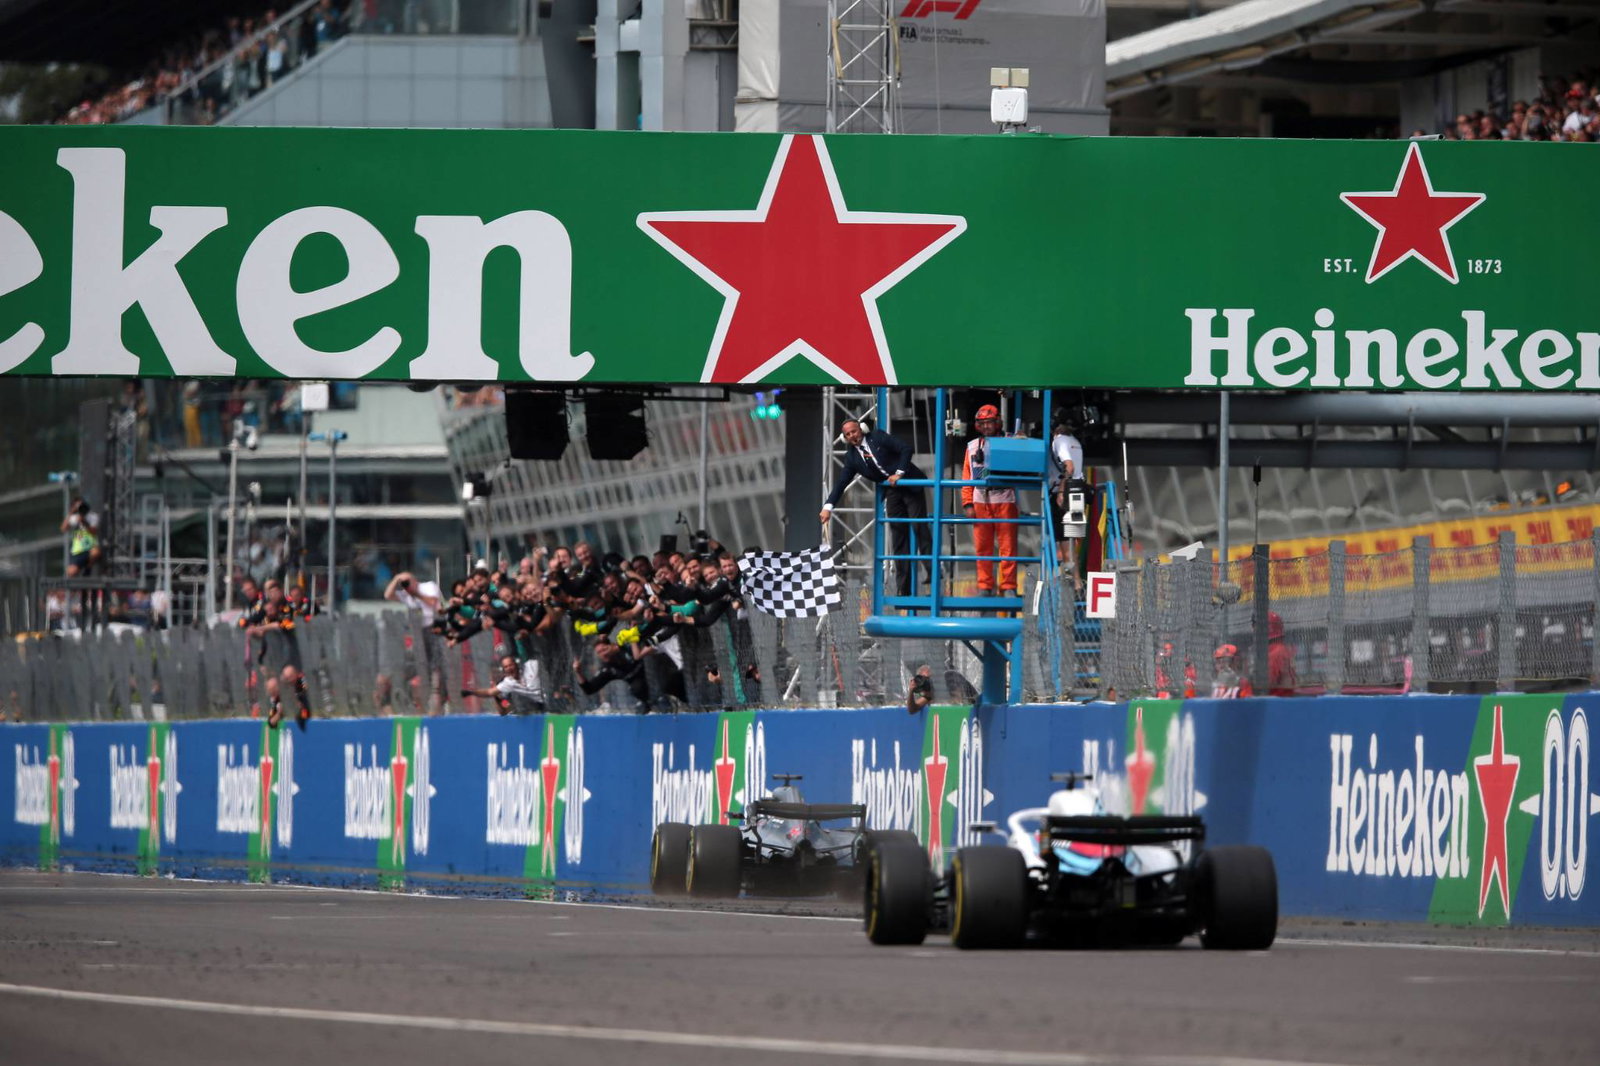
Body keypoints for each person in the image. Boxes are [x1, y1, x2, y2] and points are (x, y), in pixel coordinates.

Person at [819, 419, 931, 597]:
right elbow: (841, 483)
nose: (852, 436)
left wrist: (899, 473)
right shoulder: (851, 458)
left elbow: (906, 449)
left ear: (861, 429)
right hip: (892, 490)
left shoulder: (878, 437)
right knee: (898, 536)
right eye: (848, 435)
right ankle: (904, 588)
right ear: (845, 438)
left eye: (854, 432)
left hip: (910, 483)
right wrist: (828, 507)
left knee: (919, 526)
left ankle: (932, 571)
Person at [961, 404, 1018, 597]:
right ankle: (985, 586)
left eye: (990, 423)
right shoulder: (972, 447)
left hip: (1005, 499)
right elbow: (966, 478)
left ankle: (1008, 586)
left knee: (1008, 546)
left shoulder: (1011, 440)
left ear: (998, 423)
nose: (986, 427)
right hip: (980, 501)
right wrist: (967, 503)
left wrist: (1022, 440)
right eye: (982, 423)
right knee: (982, 547)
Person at [1047, 417, 1085, 593]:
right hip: (1079, 492)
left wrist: (1061, 491)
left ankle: (1072, 584)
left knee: (1064, 541)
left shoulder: (1059, 441)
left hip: (1067, 493)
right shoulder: (1075, 441)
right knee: (1073, 539)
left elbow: (1068, 466)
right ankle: (1077, 582)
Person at [462, 654, 547, 716]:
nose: (509, 668)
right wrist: (471, 693)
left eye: (510, 665)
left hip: (552, 695)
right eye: (506, 667)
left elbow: (548, 667)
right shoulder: (508, 683)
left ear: (516, 664)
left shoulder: (532, 665)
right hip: (544, 705)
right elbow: (489, 692)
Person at [61, 496, 101, 577]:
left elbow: (93, 531)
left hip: (90, 546)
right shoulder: (75, 518)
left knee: (96, 552)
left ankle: (88, 568)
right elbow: (63, 528)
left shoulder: (93, 516)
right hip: (78, 549)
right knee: (71, 572)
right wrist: (71, 512)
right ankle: (77, 586)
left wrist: (84, 522)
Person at [1266, 611, 1296, 697]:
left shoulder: (1276, 652)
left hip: (1277, 701)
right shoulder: (1281, 649)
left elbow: (1268, 682)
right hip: (1282, 699)